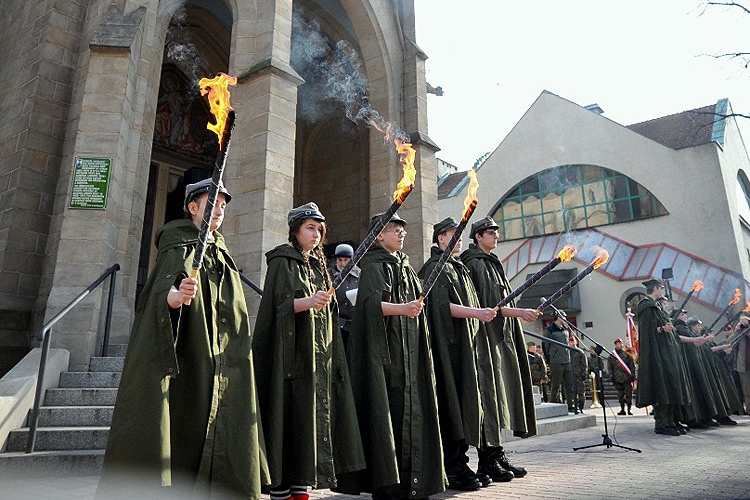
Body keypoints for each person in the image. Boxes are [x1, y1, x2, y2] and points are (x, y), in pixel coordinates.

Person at [97, 179, 269, 499]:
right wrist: (175, 297)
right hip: (188, 353)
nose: (219, 210)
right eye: (213, 203)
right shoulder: (177, 242)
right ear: (192, 207)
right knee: (184, 426)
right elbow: (161, 290)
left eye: (223, 205)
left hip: (222, 356)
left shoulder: (221, 250)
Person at [252, 202, 366, 500]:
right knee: (287, 422)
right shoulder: (282, 261)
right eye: (310, 228)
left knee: (306, 426)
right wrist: (308, 302)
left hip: (317, 358)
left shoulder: (319, 264)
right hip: (289, 358)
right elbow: (276, 307)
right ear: (295, 231)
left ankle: (301, 489)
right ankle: (281, 491)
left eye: (319, 229)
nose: (316, 234)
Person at [345, 213, 446, 500]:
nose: (402, 234)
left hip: (409, 352)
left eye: (403, 229)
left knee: (411, 414)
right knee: (389, 415)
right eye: (395, 229)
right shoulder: (374, 265)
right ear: (379, 235)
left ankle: (412, 483)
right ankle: (388, 485)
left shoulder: (406, 267)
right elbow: (370, 304)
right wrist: (403, 308)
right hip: (386, 355)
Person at [417, 217, 496, 491]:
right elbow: (442, 306)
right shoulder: (436, 267)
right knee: (450, 403)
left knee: (463, 403)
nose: (459, 238)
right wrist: (476, 313)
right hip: (447, 350)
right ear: (440, 238)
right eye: (453, 234)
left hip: (464, 347)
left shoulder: (457, 266)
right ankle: (452, 466)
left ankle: (462, 462)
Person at [460, 216, 539, 481]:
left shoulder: (492, 262)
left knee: (500, 397)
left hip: (500, 339)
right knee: (490, 398)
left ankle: (497, 454)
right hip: (485, 340)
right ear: (478, 236)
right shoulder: (475, 263)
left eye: (497, 232)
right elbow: (490, 305)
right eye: (491, 232)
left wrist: (518, 314)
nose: (496, 236)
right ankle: (487, 460)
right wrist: (521, 312)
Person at [634, 278, 691, 436]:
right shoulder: (646, 307)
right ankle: (661, 423)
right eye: (661, 288)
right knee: (661, 388)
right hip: (657, 355)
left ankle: (670, 422)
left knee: (670, 386)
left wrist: (667, 327)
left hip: (666, 354)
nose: (662, 291)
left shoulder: (656, 307)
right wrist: (661, 329)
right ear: (655, 289)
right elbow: (647, 331)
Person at [328, 243, 359, 350]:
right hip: (335, 324)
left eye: (346, 260)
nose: (342, 263)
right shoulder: (328, 275)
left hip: (354, 324)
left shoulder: (360, 275)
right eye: (340, 260)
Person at [543, 311, 575, 413]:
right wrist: (549, 359)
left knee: (569, 385)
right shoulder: (549, 329)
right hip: (556, 361)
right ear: (557, 317)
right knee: (555, 385)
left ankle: (571, 405)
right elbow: (545, 345)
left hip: (566, 360)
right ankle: (554, 405)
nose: (565, 318)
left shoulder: (565, 328)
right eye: (563, 316)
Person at [607, 338, 636, 415]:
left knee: (629, 395)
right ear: (615, 345)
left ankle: (629, 409)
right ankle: (622, 409)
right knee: (620, 396)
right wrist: (611, 376)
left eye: (621, 343)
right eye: (619, 343)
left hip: (627, 378)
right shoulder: (612, 356)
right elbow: (610, 367)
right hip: (618, 379)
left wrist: (633, 375)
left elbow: (632, 365)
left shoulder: (627, 355)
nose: (621, 345)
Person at [569, 336, 588, 413]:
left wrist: (584, 373)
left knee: (581, 393)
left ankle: (581, 407)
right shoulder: (567, 351)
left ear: (576, 342)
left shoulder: (580, 352)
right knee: (572, 392)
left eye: (573, 341)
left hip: (579, 375)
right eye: (571, 342)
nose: (572, 343)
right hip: (570, 375)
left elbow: (584, 364)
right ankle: (574, 407)